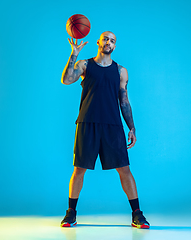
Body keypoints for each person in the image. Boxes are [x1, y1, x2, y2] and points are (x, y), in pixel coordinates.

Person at [60, 31, 150, 229]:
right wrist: (74, 54)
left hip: (112, 125)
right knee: (79, 170)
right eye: (106, 39)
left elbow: (124, 101)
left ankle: (137, 214)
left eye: (113, 40)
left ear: (114, 46)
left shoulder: (120, 71)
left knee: (125, 170)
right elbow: (66, 80)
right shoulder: (85, 65)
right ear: (98, 42)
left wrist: (132, 127)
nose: (108, 42)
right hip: (87, 123)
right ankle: (71, 213)